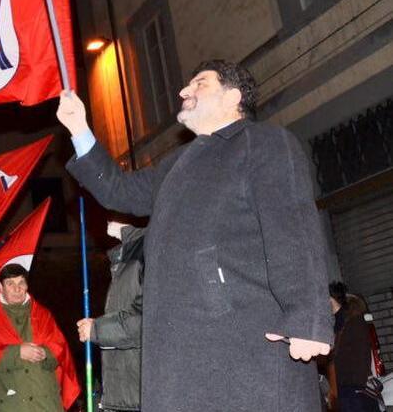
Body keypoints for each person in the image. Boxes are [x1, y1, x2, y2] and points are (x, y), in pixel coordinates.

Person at [57, 59, 333, 411]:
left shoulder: (264, 143)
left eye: (199, 83)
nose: (183, 91)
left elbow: (292, 229)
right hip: (179, 353)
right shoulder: (177, 163)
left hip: (244, 347)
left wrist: (306, 318)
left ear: (233, 96)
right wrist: (79, 128)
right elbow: (119, 191)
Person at [0, 263, 80, 411]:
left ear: (27, 286)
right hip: (9, 405)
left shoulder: (43, 315)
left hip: (45, 403)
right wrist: (17, 353)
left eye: (21, 282)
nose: (17, 289)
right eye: (10, 284)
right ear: (0, 288)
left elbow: (61, 350)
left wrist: (45, 354)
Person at [77, 221, 144, 411]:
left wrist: (97, 329)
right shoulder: (127, 259)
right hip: (125, 394)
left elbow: (146, 321)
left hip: (140, 395)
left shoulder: (150, 254)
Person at [327, 282, 375, 412]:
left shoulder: (351, 320)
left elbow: (361, 353)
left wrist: (356, 384)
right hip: (344, 386)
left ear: (330, 299)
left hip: (351, 388)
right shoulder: (337, 321)